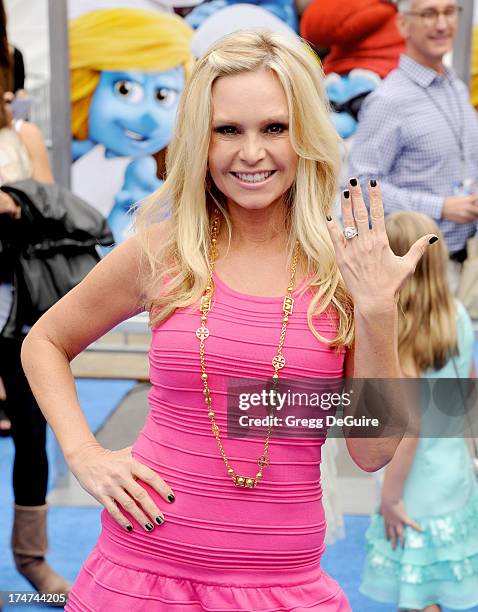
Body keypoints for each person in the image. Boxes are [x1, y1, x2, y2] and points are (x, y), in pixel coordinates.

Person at [21, 30, 438, 610]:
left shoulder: (346, 265)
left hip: (283, 583)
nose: (251, 153)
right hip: (142, 572)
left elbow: (371, 451)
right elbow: (44, 340)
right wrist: (84, 452)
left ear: (307, 135)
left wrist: (375, 309)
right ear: (200, 138)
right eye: (228, 130)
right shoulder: (162, 250)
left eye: (274, 128)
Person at [360, 211, 478, 611]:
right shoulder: (457, 316)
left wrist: (390, 500)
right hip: (453, 476)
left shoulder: (399, 333)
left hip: (414, 487)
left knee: (418, 593)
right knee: (440, 584)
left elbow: (407, 430)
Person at [348, 0, 478, 293]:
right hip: (416, 275)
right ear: (402, 24)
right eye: (429, 14)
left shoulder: (455, 87)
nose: (442, 24)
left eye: (449, 12)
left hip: (465, 261)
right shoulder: (388, 101)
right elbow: (360, 187)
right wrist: (440, 207)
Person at [0, 82, 71, 599]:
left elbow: (51, 209)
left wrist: (15, 203)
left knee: (31, 430)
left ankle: (31, 559)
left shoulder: (23, 134)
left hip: (17, 304)